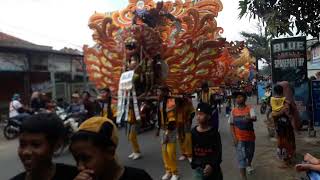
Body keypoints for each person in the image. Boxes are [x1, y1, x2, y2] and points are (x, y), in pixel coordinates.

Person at [70, 116, 153, 180]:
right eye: (76, 160)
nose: (80, 167)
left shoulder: (139, 177)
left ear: (110, 152)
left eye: (86, 158)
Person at [10, 113, 78, 180]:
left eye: (35, 145)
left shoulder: (75, 176)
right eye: (22, 145)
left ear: (56, 145)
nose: (26, 152)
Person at [191, 102, 223, 180]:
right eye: (197, 114)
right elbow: (192, 151)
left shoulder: (214, 133)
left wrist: (211, 165)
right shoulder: (193, 132)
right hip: (199, 169)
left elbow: (218, 152)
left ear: (208, 116)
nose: (198, 116)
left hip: (213, 169)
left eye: (201, 114)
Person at [229, 91, 257, 180]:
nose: (238, 99)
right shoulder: (233, 111)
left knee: (250, 153)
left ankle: (249, 164)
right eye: (237, 97)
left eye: (240, 97)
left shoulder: (249, 109)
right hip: (239, 138)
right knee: (241, 158)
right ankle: (243, 177)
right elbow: (231, 124)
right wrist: (234, 137)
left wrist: (250, 118)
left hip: (250, 137)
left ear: (244, 98)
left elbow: (254, 117)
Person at [270, 84, 296, 167]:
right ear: (283, 91)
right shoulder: (286, 101)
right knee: (287, 141)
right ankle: (287, 159)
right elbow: (290, 112)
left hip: (278, 125)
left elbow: (272, 114)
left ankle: (286, 159)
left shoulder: (272, 100)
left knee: (281, 142)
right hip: (286, 125)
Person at [157, 87, 179, 180]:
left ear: (165, 92)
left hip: (170, 129)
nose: (158, 93)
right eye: (157, 91)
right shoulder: (160, 102)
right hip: (162, 129)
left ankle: (175, 173)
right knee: (164, 152)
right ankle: (168, 171)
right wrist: (158, 130)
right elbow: (159, 116)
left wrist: (167, 133)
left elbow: (172, 120)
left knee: (170, 152)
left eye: (160, 91)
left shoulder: (170, 101)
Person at [176, 97, 195, 162]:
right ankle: (184, 153)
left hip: (186, 123)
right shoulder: (174, 102)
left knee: (188, 138)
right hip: (178, 123)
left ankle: (189, 154)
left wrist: (189, 120)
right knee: (180, 138)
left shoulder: (188, 102)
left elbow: (193, 112)